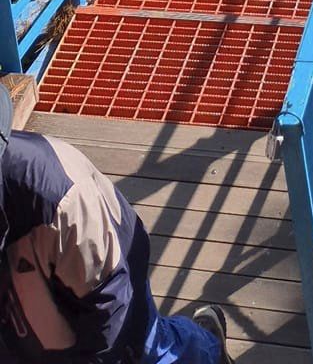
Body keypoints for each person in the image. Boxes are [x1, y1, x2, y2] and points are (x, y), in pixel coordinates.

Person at [0, 84, 231, 362]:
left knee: (148, 348)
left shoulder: (62, 198)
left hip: (102, 275)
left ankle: (208, 351)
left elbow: (110, 308)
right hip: (26, 307)